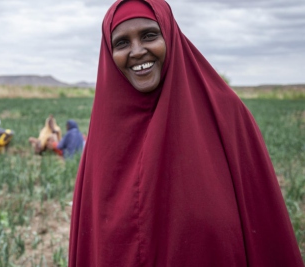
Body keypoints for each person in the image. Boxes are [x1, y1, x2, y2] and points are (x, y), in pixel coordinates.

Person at [68, 1, 303, 266]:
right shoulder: (103, 136)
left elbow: (264, 223)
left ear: (170, 35)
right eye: (122, 43)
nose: (137, 51)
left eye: (149, 35)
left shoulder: (225, 114)